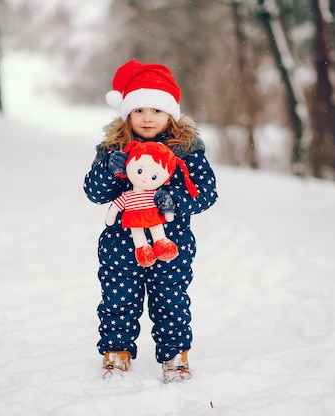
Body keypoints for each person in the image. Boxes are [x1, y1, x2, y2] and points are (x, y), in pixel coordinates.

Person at [83, 59, 218, 383]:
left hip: (170, 241)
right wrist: (111, 170)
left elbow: (206, 192)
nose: (147, 117)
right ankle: (117, 352)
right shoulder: (114, 148)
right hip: (121, 241)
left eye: (156, 110)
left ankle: (174, 356)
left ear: (170, 113)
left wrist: (177, 200)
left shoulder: (186, 149)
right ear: (127, 113)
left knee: (170, 298)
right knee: (118, 297)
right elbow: (93, 192)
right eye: (139, 109)